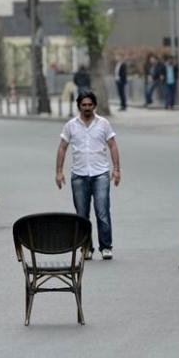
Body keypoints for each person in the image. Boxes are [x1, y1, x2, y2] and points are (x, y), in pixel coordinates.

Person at [55, 91, 121, 260]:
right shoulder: (71, 125)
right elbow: (62, 147)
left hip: (100, 174)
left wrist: (116, 169)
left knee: (102, 211)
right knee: (82, 214)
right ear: (79, 106)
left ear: (94, 106)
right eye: (84, 105)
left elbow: (113, 145)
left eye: (90, 105)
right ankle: (86, 247)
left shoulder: (103, 124)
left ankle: (106, 246)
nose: (87, 108)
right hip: (79, 175)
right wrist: (59, 172)